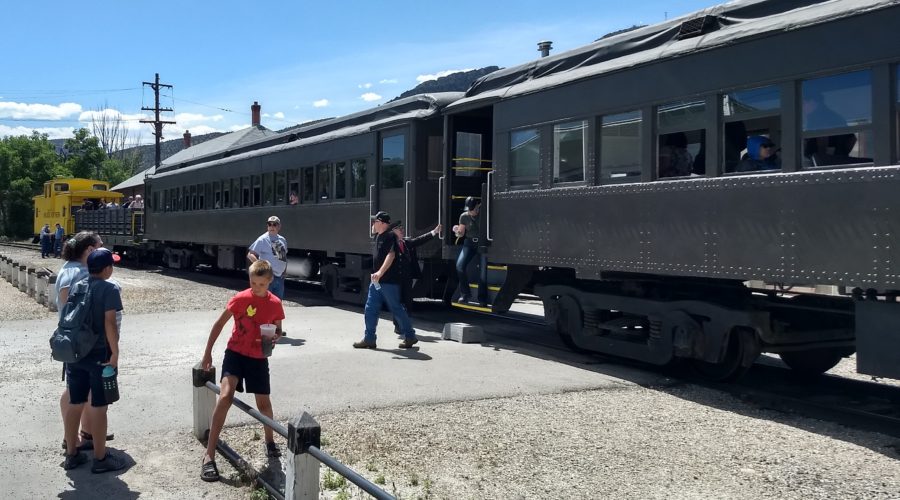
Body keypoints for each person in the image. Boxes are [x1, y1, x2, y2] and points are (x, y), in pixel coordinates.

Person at [200, 260, 285, 482]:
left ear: (269, 282)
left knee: (264, 404)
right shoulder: (240, 299)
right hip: (235, 354)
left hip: (258, 357)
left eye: (260, 284)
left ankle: (269, 441)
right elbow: (219, 324)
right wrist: (208, 353)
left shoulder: (275, 303)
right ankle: (209, 454)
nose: (255, 287)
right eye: (252, 282)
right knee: (226, 395)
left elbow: (278, 329)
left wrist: (276, 336)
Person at [61, 248, 126, 473]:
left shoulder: (78, 285)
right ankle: (100, 459)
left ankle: (72, 454)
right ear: (107, 268)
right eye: (112, 265)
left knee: (76, 402)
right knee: (99, 405)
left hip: (76, 354)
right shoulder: (109, 289)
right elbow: (110, 323)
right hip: (100, 356)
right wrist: (114, 354)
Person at [57, 231, 109, 454]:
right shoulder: (79, 273)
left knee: (78, 390)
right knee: (77, 392)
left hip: (75, 340)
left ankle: (85, 433)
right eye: (99, 247)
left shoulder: (68, 268)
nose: (104, 250)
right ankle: (73, 440)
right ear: (89, 250)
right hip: (83, 342)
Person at [353, 211, 419, 349]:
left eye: (375, 221)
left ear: (382, 223)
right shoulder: (378, 236)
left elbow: (391, 256)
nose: (373, 224)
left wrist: (380, 272)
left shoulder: (389, 237)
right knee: (370, 308)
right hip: (377, 281)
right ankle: (369, 338)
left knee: (397, 309)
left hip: (388, 281)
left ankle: (410, 336)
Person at [453, 197, 488, 306]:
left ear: (478, 206)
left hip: (482, 244)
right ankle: (465, 294)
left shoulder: (484, 213)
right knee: (459, 266)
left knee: (483, 273)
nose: (470, 212)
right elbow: (461, 233)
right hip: (469, 243)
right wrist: (456, 231)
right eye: (469, 209)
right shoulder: (464, 216)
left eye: (472, 209)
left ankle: (482, 299)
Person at [247, 216, 288, 300]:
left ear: (279, 226)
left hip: (279, 277)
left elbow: (282, 257)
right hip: (268, 277)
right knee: (265, 302)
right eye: (269, 224)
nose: (271, 226)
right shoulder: (263, 239)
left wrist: (284, 270)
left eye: (274, 224)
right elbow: (250, 255)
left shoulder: (281, 240)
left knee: (277, 303)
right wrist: (262, 267)